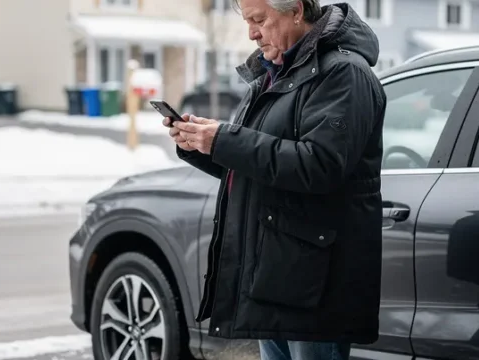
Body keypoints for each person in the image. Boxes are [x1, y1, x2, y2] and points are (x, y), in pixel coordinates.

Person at [162, 0, 386, 359]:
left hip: (315, 285)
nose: (252, 33)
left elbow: (320, 165)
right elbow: (258, 164)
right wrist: (203, 145)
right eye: (248, 21)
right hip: (274, 277)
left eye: (260, 20)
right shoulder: (273, 74)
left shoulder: (344, 73)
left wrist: (225, 140)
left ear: (296, 10)